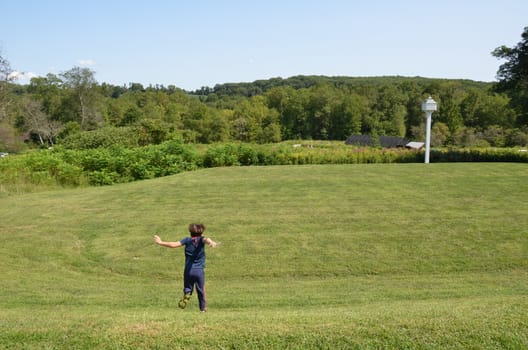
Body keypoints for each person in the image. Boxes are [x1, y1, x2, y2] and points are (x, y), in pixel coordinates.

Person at [154, 223, 217, 312]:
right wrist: (211, 242)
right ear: (201, 232)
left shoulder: (187, 240)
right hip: (199, 271)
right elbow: (206, 239)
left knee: (188, 287)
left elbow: (173, 244)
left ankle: (187, 293)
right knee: (201, 290)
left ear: (190, 232)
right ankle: (203, 309)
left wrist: (160, 242)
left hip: (188, 270)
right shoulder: (201, 239)